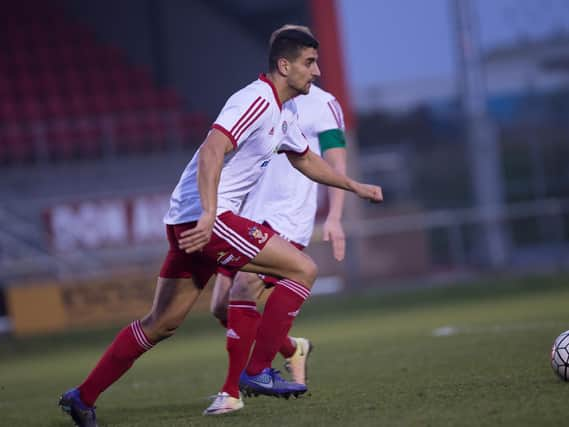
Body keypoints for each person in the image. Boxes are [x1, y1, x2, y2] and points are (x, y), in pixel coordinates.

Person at [58, 28, 382, 427]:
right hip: (209, 219)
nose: (316, 72)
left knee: (161, 323)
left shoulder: (283, 112)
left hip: (189, 220)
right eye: (309, 63)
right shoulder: (257, 100)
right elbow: (213, 148)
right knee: (302, 268)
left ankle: (82, 397)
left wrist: (353, 186)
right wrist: (211, 212)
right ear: (285, 65)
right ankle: (258, 369)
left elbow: (304, 159)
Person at [203, 24, 348, 416]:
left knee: (244, 290)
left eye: (314, 60)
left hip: (288, 215)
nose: (313, 68)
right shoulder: (264, 99)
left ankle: (232, 391)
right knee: (220, 308)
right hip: (247, 212)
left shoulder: (325, 105)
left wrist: (334, 215)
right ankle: (292, 347)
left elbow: (334, 160)